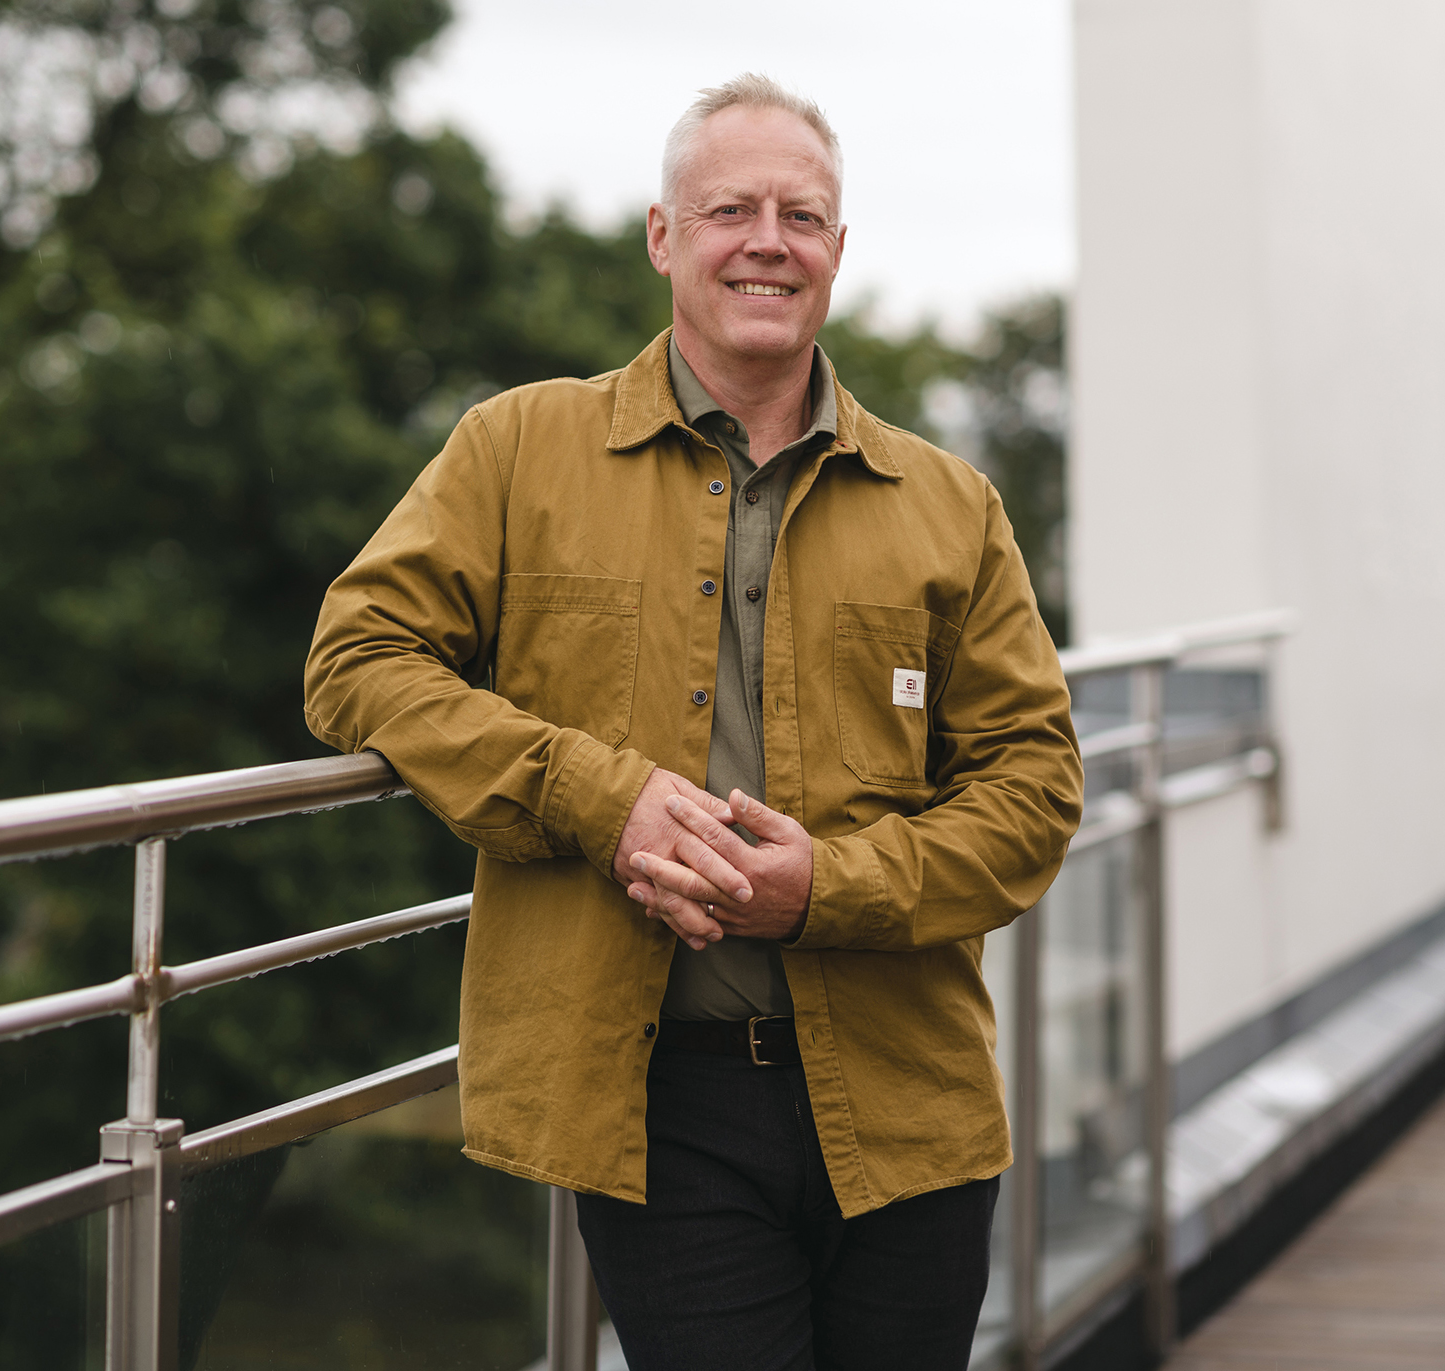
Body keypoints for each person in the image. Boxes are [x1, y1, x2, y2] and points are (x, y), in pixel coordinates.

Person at [304, 74, 1083, 1371]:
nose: (767, 239)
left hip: (910, 1090)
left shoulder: (951, 506)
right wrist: (595, 796)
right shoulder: (517, 450)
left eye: (803, 214)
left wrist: (827, 886)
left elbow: (1034, 789)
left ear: (838, 250)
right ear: (665, 238)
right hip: (655, 1091)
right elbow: (358, 657)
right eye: (730, 208)